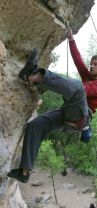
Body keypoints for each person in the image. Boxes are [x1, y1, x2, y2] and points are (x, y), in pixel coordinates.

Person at [7, 48, 89, 183]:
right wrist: (71, 39)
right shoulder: (88, 76)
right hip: (66, 113)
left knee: (79, 87)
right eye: (91, 63)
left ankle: (31, 75)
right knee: (34, 126)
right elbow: (78, 61)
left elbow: (87, 90)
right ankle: (24, 172)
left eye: (96, 64)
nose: (91, 65)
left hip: (79, 118)